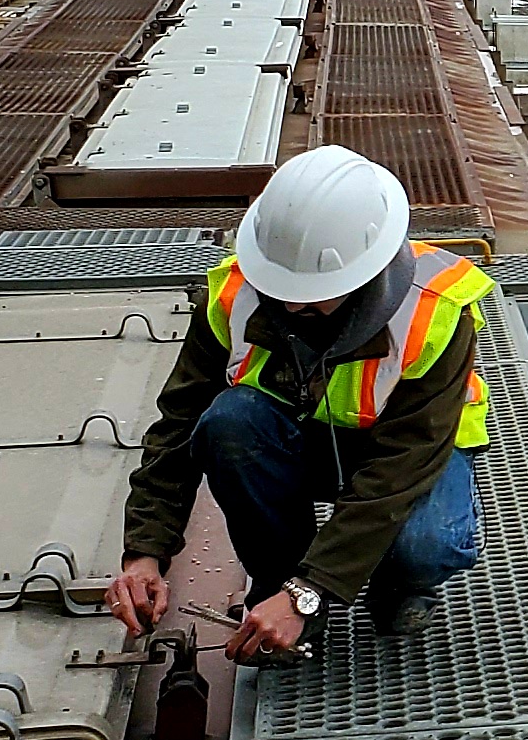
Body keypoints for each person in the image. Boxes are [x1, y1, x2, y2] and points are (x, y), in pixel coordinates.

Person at [104, 145, 494, 662]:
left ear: (366, 272)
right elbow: (179, 423)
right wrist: (144, 553)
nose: (289, 304)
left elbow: (399, 469)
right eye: (280, 284)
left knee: (424, 546)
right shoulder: (235, 294)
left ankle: (391, 585)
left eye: (312, 292)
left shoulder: (435, 311)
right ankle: (275, 584)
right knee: (227, 424)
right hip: (299, 438)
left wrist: (312, 588)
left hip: (409, 457)